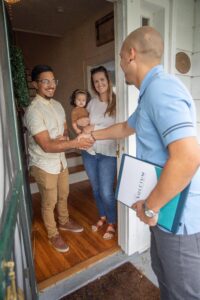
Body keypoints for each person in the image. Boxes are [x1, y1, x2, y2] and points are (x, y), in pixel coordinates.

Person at [79, 27, 200, 299]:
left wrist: (150, 205)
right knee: (163, 274)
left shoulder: (162, 90)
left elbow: (188, 157)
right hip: (162, 213)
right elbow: (124, 127)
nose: (120, 65)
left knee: (184, 291)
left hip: (177, 216)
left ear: (131, 54)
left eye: (121, 58)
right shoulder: (149, 95)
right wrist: (92, 135)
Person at [24, 65, 93, 253]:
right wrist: (73, 143)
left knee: (64, 195)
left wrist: (61, 140)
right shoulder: (33, 111)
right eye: (45, 81)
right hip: (44, 164)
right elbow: (46, 145)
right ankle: (53, 234)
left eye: (53, 81)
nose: (51, 85)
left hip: (60, 161)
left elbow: (63, 131)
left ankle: (63, 222)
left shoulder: (58, 105)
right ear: (35, 84)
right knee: (49, 202)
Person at [79, 66, 117, 240]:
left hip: (108, 153)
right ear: (93, 85)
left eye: (102, 79)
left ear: (108, 80)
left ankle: (111, 222)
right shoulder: (92, 103)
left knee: (107, 192)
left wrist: (94, 127)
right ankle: (102, 216)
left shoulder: (118, 100)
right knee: (95, 189)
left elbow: (118, 127)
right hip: (89, 151)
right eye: (96, 81)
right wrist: (79, 123)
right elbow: (84, 123)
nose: (99, 83)